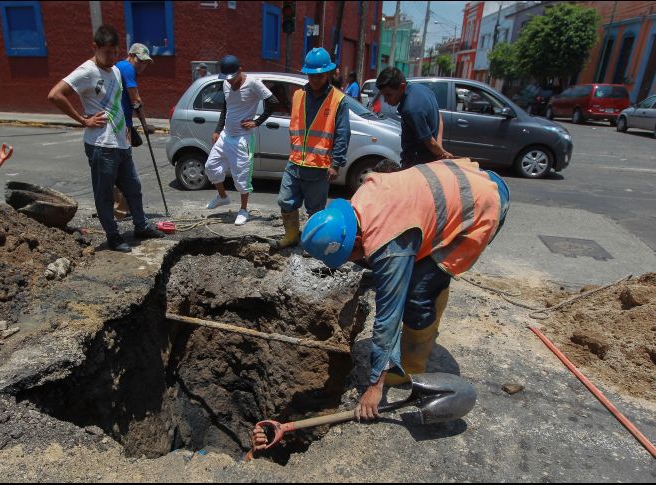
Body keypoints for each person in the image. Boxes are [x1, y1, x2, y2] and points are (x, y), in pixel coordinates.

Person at [247, 157, 509, 459]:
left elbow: (388, 314)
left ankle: (412, 365)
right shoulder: (360, 201)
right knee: (420, 277)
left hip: (482, 205)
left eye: (351, 254)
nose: (354, 259)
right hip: (462, 183)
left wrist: (376, 385)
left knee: (418, 293)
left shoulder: (389, 245)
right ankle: (428, 304)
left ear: (356, 238)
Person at [47, 25, 164, 253]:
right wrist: (83, 120)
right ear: (95, 47)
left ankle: (141, 226)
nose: (111, 57)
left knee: (133, 187)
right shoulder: (86, 71)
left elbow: (117, 104)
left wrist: (127, 128)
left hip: (120, 141)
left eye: (115, 52)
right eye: (107, 52)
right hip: (101, 144)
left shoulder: (116, 71)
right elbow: (55, 94)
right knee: (105, 194)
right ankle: (113, 236)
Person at [276, 47, 350, 249]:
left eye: (319, 75)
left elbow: (342, 134)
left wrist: (336, 163)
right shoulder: (298, 95)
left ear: (327, 74)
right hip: (295, 162)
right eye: (311, 75)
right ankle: (292, 236)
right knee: (285, 201)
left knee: (315, 210)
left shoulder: (338, 100)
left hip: (319, 166)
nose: (315, 79)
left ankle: (312, 243)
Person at [204, 55, 278, 226]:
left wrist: (256, 122)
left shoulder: (253, 83)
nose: (229, 81)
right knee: (210, 167)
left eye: (232, 77)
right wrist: (218, 130)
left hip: (242, 139)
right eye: (226, 78)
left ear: (240, 70)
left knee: (242, 177)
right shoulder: (225, 83)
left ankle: (244, 210)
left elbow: (273, 102)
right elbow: (226, 107)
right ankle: (222, 196)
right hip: (225, 135)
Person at [376, 67, 452, 167]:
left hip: (417, 166)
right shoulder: (423, 89)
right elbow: (439, 117)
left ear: (402, 87)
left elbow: (430, 142)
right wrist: (440, 150)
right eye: (383, 95)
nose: (385, 100)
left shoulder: (411, 110)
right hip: (429, 161)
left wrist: (442, 153)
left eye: (388, 95)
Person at [113, 43, 154, 221]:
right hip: (123, 125)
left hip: (119, 122)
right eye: (140, 61)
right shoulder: (128, 68)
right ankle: (122, 209)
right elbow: (135, 99)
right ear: (130, 55)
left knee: (118, 166)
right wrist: (144, 124)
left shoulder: (120, 67)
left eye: (146, 62)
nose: (142, 65)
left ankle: (119, 208)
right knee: (125, 168)